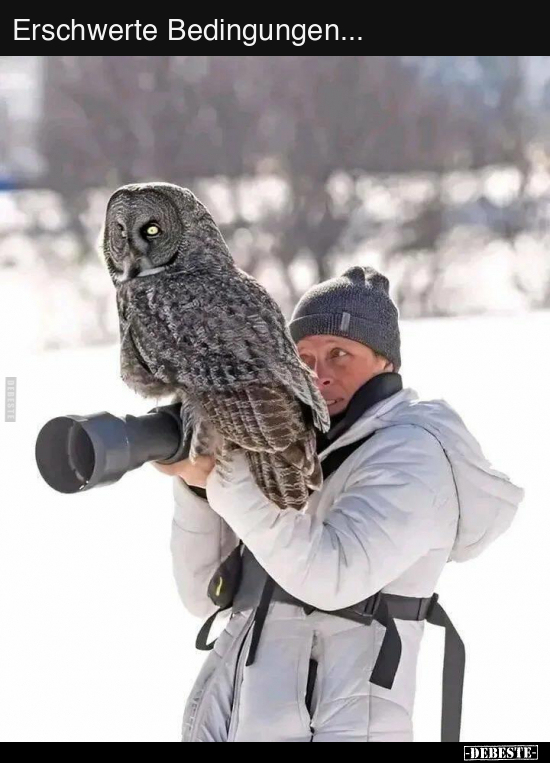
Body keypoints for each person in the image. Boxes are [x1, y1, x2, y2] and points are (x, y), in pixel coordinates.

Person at [154, 265, 524, 742]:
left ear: (385, 364)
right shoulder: (289, 452)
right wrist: (199, 489)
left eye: (339, 354)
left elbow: (333, 575)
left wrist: (227, 479)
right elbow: (203, 595)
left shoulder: (414, 454)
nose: (318, 374)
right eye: (303, 357)